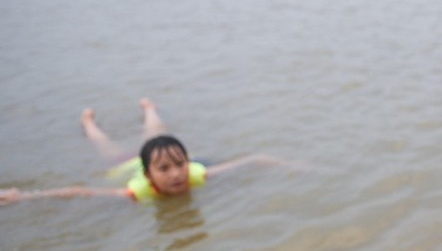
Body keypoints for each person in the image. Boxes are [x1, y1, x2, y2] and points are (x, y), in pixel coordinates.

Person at [0, 98, 276, 204]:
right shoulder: (137, 190)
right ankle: (89, 124)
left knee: (157, 136)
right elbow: (80, 192)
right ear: (149, 176)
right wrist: (22, 196)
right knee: (107, 148)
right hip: (127, 164)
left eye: (180, 165)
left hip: (154, 153)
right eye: (165, 171)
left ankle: (149, 109)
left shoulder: (194, 173)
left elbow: (254, 160)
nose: (176, 174)